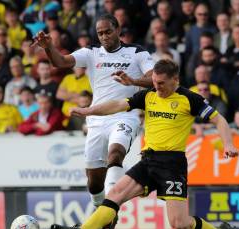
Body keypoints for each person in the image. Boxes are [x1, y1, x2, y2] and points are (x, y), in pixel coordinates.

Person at [52, 59, 238, 229]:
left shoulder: (190, 99)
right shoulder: (149, 95)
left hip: (172, 165)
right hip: (148, 160)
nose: (157, 87)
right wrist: (89, 110)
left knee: (179, 223)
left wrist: (228, 144)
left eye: (162, 83)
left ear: (175, 79)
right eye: (155, 82)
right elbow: (117, 105)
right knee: (114, 195)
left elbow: (219, 120)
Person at [33, 14, 154, 211]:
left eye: (108, 32)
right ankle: (101, 209)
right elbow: (61, 62)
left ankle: (110, 208)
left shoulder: (136, 52)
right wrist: (48, 47)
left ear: (117, 30)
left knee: (115, 155)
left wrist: (133, 81)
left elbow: (154, 79)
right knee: (94, 183)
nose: (104, 36)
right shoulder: (91, 52)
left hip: (125, 115)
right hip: (97, 119)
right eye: (100, 33)